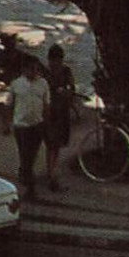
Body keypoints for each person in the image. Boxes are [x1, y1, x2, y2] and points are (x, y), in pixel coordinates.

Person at [5, 57, 50, 197]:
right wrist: (7, 124)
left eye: (36, 69)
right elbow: (9, 105)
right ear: (24, 70)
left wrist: (46, 123)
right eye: (31, 68)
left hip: (37, 124)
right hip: (21, 125)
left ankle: (25, 173)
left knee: (32, 154)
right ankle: (30, 185)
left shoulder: (43, 83)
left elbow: (47, 103)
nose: (34, 72)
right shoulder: (16, 84)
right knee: (25, 154)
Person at [42, 44, 77, 192]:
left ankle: (52, 170)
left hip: (62, 112)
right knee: (51, 144)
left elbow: (71, 88)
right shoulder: (44, 74)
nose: (55, 63)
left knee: (56, 145)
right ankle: (52, 173)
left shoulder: (66, 71)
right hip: (50, 113)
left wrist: (67, 92)